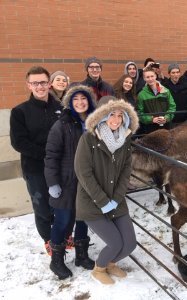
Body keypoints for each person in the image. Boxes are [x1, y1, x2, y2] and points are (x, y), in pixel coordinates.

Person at [74, 96, 139, 285]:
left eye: (121, 115)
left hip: (115, 200)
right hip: (91, 203)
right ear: (102, 116)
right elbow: (83, 172)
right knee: (116, 243)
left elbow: (126, 172)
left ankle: (110, 263)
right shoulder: (88, 138)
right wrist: (102, 201)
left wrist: (116, 199)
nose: (116, 120)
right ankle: (99, 268)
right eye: (112, 114)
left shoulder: (125, 139)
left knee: (129, 244)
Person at [44, 85, 97, 279]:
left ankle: (81, 255)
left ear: (89, 101)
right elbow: (51, 156)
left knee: (83, 218)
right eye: (76, 99)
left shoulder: (95, 123)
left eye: (84, 98)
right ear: (70, 102)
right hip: (66, 182)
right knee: (63, 220)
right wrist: (52, 183)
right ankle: (56, 260)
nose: (80, 102)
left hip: (87, 182)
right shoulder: (62, 125)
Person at [10, 66, 63, 254]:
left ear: (49, 84)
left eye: (43, 82)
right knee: (43, 207)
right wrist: (47, 154)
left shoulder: (60, 108)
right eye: (35, 83)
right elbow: (19, 142)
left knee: (62, 204)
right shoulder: (20, 112)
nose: (40, 86)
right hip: (35, 169)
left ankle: (64, 234)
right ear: (29, 85)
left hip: (60, 167)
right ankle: (49, 240)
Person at [137, 67, 176, 133]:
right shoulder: (141, 95)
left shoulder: (165, 91)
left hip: (166, 128)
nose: (150, 79)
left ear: (155, 76)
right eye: (147, 77)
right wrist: (151, 119)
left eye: (152, 76)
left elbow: (172, 107)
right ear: (144, 78)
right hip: (150, 130)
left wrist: (166, 118)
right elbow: (140, 113)